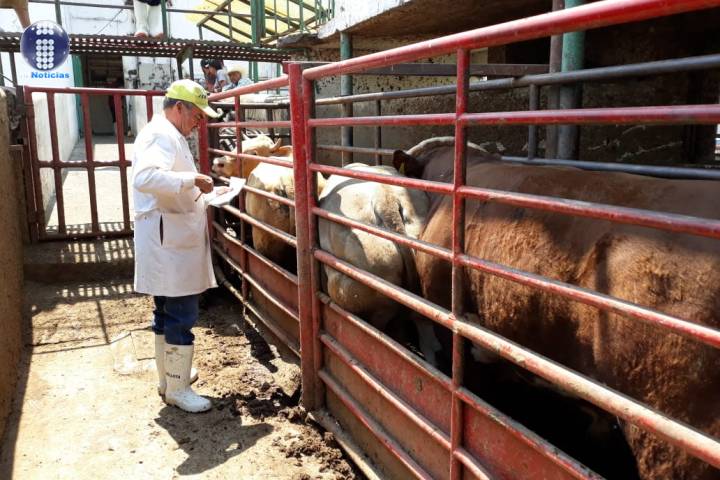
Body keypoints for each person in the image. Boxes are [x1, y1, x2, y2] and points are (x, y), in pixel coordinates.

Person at [131, 79, 225, 413]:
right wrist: (192, 180)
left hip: (167, 235)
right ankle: (179, 389)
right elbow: (144, 178)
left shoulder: (169, 133)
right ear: (179, 107)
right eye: (197, 115)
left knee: (165, 310)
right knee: (181, 313)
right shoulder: (162, 135)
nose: (200, 123)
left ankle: (169, 378)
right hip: (168, 239)